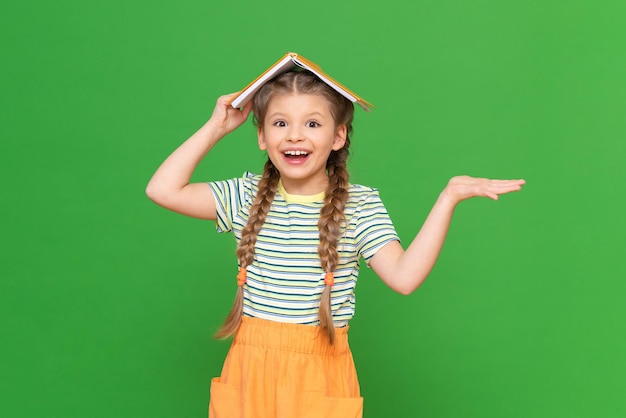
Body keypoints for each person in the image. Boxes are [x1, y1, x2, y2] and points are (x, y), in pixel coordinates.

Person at [146, 69, 525, 418]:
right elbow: (162, 190)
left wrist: (449, 197)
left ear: (338, 135)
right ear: (262, 135)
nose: (295, 135)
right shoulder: (244, 195)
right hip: (249, 369)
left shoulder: (360, 206)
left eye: (313, 123)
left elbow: (404, 278)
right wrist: (217, 127)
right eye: (280, 123)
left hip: (320, 374)